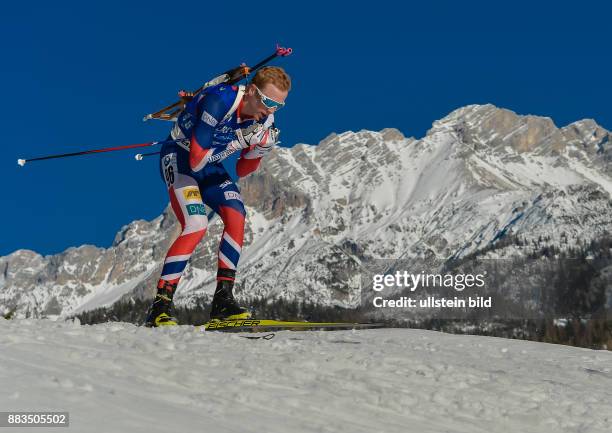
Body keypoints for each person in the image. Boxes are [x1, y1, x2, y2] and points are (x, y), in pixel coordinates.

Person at [145, 66, 291, 327]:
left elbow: (242, 169)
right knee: (196, 223)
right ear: (253, 92)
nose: (271, 111)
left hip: (210, 161)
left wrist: (259, 150)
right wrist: (238, 141)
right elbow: (197, 161)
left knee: (236, 213)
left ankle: (223, 302)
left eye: (279, 107)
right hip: (180, 157)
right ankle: (160, 307)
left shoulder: (264, 118)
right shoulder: (220, 100)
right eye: (269, 102)